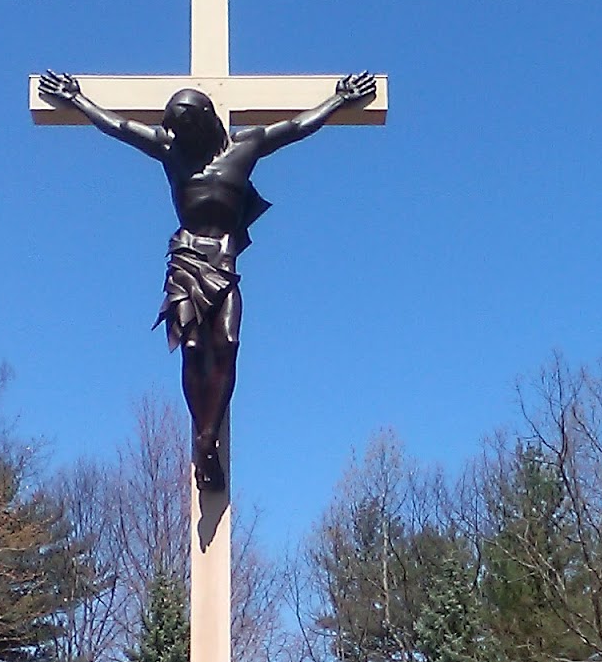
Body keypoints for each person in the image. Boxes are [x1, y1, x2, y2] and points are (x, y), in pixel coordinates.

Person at [37, 70, 377, 491]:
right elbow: (119, 126)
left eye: (187, 127)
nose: (180, 136)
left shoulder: (245, 147)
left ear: (207, 120)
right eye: (175, 130)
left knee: (228, 344)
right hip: (187, 258)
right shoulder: (170, 151)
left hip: (225, 258)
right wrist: (78, 100)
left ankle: (207, 436)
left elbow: (296, 127)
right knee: (194, 347)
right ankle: (204, 439)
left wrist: (338, 100)